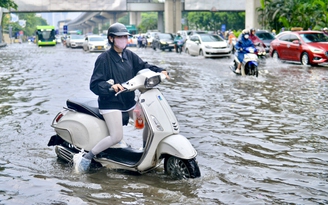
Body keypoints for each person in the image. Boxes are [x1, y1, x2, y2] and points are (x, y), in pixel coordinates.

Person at [73, 22, 170, 173]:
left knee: (148, 123)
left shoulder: (129, 55)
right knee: (116, 136)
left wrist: (161, 70)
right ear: (111, 39)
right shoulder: (104, 58)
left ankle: (144, 150)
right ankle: (87, 157)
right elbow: (94, 84)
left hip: (128, 102)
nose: (124, 39)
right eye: (120, 37)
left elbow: (143, 65)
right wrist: (111, 87)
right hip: (111, 103)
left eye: (126, 37)